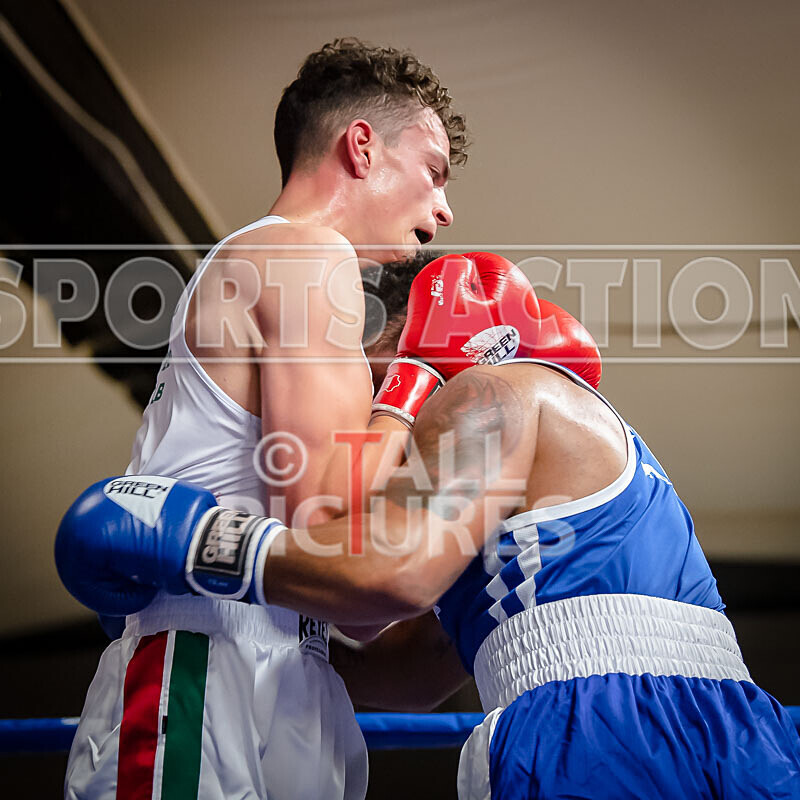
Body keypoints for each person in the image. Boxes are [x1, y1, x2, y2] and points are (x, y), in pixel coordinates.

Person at [59, 253, 800, 798]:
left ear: (389, 347)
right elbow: (418, 671)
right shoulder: (521, 491)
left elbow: (392, 573)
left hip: (606, 735)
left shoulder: (484, 395)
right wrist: (271, 635)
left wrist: (193, 542)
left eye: (346, 373)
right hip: (737, 735)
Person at [61, 37, 468, 800]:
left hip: (292, 655)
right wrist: (418, 382)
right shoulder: (306, 255)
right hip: (207, 660)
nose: (444, 208)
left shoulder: (291, 270)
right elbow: (325, 515)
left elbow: (360, 604)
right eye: (434, 171)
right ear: (360, 146)